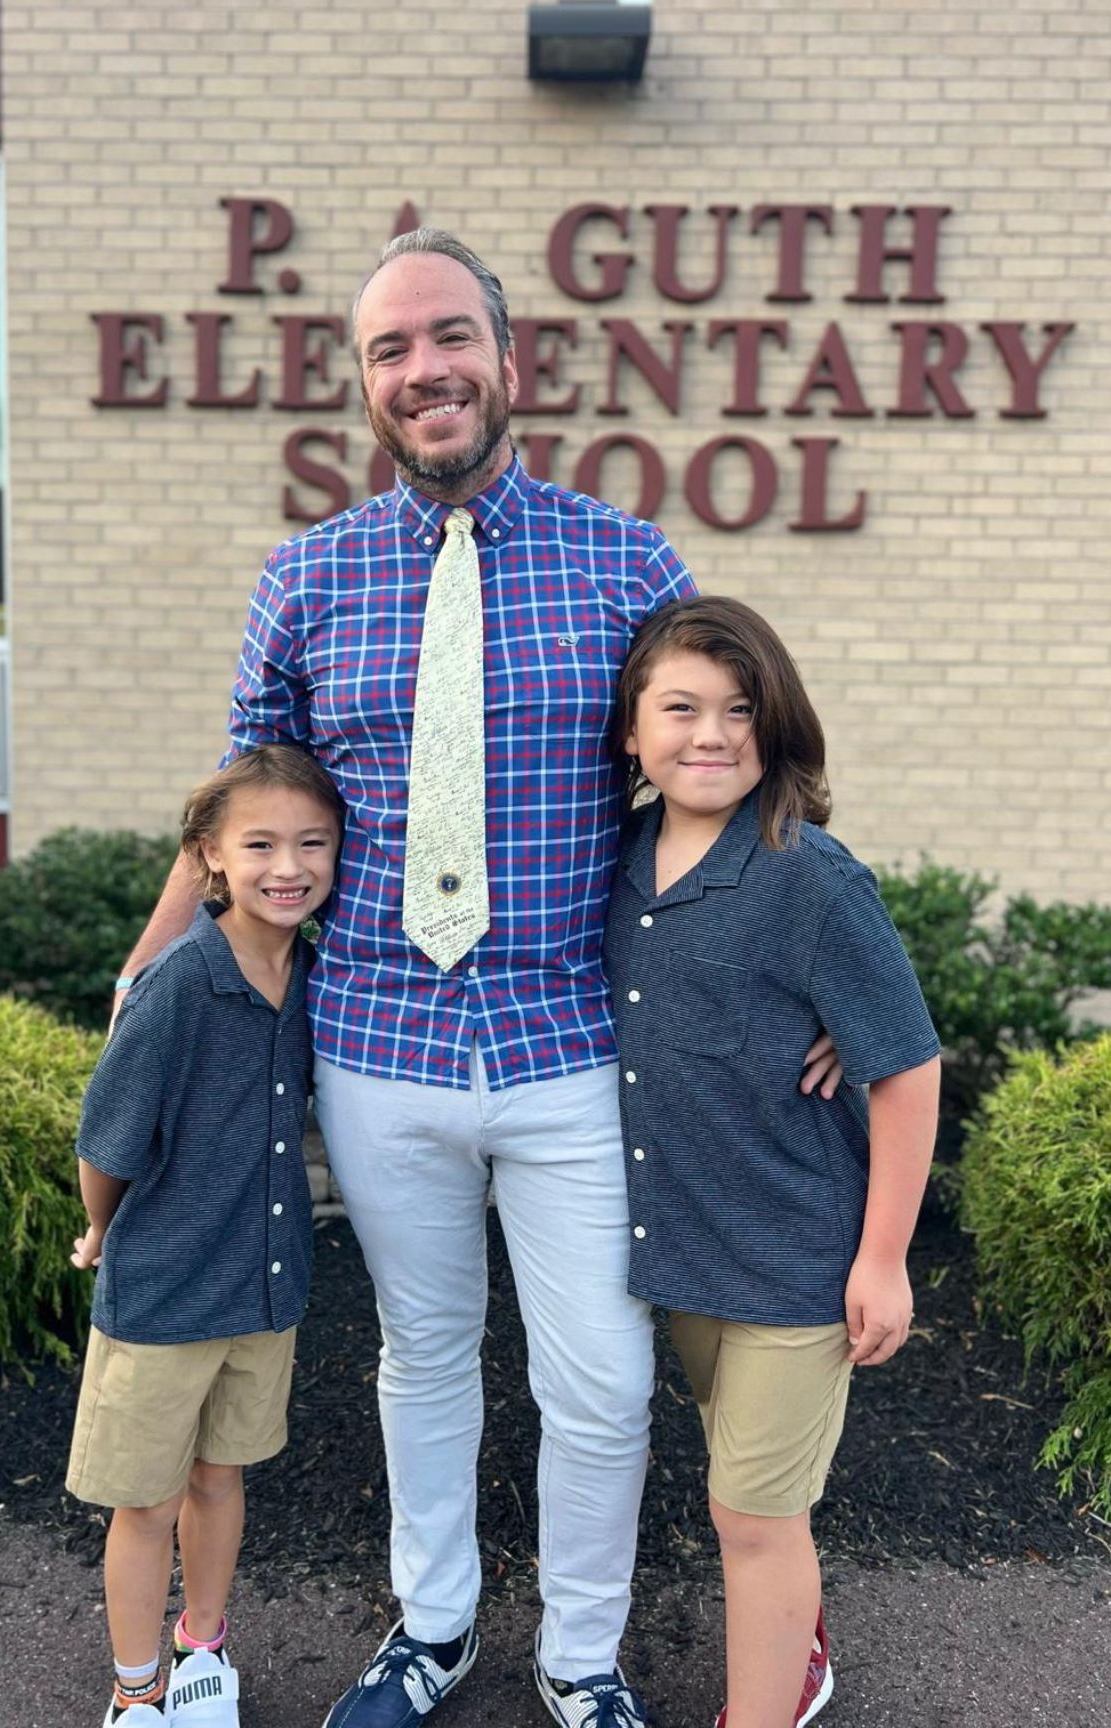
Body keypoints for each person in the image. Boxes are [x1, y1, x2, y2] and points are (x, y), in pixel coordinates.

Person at [115, 228, 841, 1728]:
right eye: (388, 349)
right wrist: (155, 969)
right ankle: (431, 1628)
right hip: (376, 1046)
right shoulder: (305, 575)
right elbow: (247, 797)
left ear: (507, 361)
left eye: (448, 338)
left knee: (598, 1377)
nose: (422, 370)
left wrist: (811, 982)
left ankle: (581, 1656)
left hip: (575, 1045)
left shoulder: (625, 558)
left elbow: (708, 771)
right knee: (421, 1355)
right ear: (363, 385)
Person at [604, 596, 941, 1728]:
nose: (710, 734)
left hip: (796, 1257)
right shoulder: (610, 864)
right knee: (756, 1503)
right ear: (630, 733)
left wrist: (883, 1259)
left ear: (774, 723)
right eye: (680, 708)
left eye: (738, 709)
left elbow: (903, 1068)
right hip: (676, 1253)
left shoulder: (809, 877)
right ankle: (796, 1645)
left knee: (748, 1518)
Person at [66, 744, 342, 1728]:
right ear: (208, 857)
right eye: (260, 843)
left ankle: (200, 1648)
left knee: (219, 1477)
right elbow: (107, 1140)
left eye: (312, 843)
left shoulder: (317, 971)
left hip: (262, 1288)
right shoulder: (177, 985)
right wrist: (99, 1231)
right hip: (165, 1289)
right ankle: (135, 1688)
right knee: (143, 1501)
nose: (288, 865)